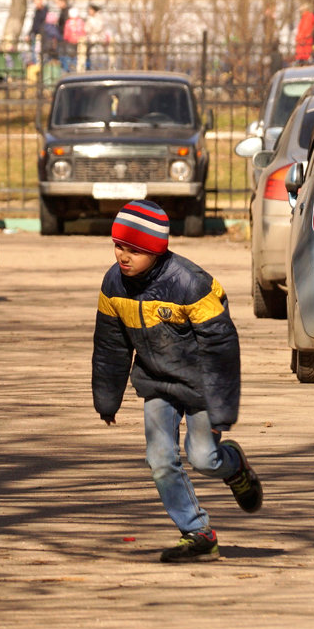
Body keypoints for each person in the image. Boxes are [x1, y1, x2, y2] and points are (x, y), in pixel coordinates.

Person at [91, 200, 264, 563]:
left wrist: (221, 409)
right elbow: (111, 345)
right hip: (157, 384)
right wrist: (108, 398)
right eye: (119, 246)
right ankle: (198, 533)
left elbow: (221, 348)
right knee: (160, 459)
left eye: (134, 250)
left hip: (201, 387)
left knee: (203, 459)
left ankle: (234, 465)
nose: (124, 256)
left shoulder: (191, 283)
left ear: (156, 248)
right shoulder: (113, 285)